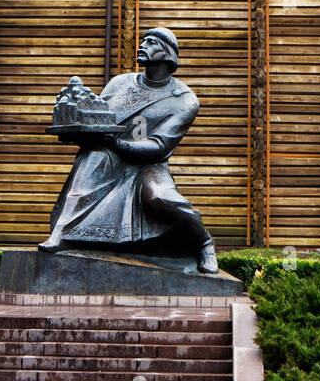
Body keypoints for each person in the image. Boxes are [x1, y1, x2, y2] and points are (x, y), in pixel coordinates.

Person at [39, 27, 217, 275]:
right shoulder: (119, 83)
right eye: (143, 40)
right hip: (109, 156)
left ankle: (204, 242)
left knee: (161, 198)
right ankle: (62, 234)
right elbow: (97, 119)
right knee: (91, 159)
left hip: (148, 166)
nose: (143, 44)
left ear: (167, 53)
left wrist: (118, 144)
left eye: (152, 42)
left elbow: (159, 145)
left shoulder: (184, 99)